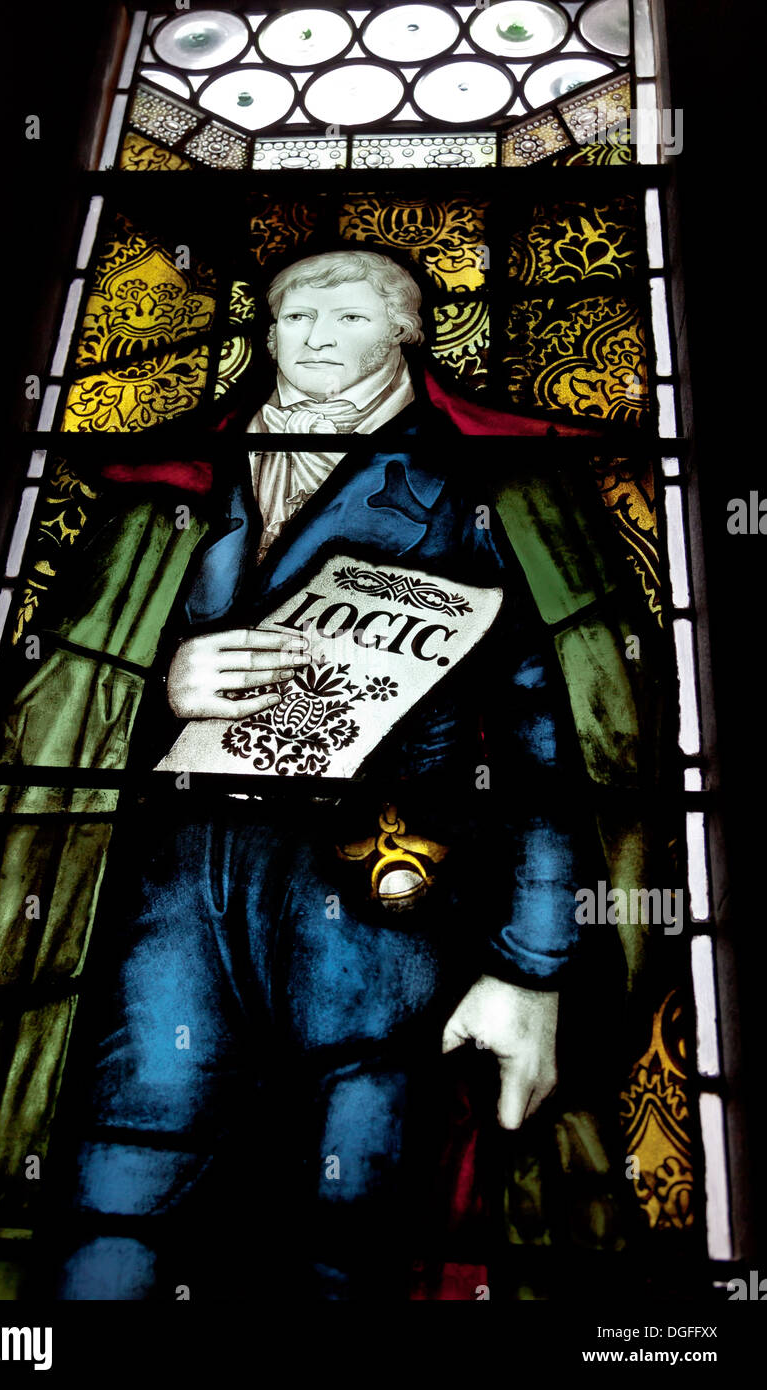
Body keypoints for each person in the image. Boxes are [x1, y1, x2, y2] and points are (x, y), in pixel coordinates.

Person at [55, 250, 590, 1300]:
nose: (306, 336)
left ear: (406, 334)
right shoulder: (181, 481)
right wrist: (159, 680)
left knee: (347, 1214)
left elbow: (543, 734)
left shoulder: (469, 491)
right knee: (126, 1164)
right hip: (178, 875)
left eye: (342, 313)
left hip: (375, 887)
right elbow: (63, 672)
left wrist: (530, 966)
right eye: (289, 314)